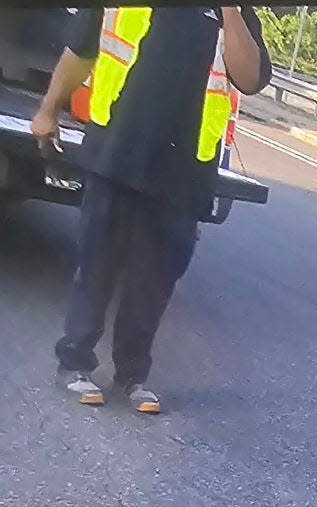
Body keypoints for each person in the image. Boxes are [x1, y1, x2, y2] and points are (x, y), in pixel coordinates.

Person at [32, 6, 271, 414]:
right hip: (118, 149)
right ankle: (74, 363)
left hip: (185, 169)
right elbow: (82, 49)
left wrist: (230, 9)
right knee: (98, 265)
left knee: (154, 280)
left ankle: (132, 376)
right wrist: (48, 108)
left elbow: (248, 78)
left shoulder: (232, 13)